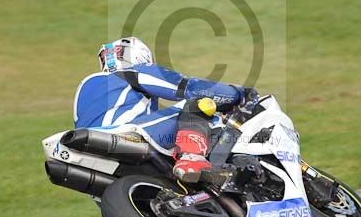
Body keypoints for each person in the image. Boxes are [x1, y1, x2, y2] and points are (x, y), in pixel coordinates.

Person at [73, 37, 252, 180]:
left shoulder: (83, 87)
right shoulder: (133, 72)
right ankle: (192, 158)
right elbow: (188, 88)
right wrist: (238, 94)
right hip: (126, 134)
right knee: (199, 102)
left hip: (92, 157)